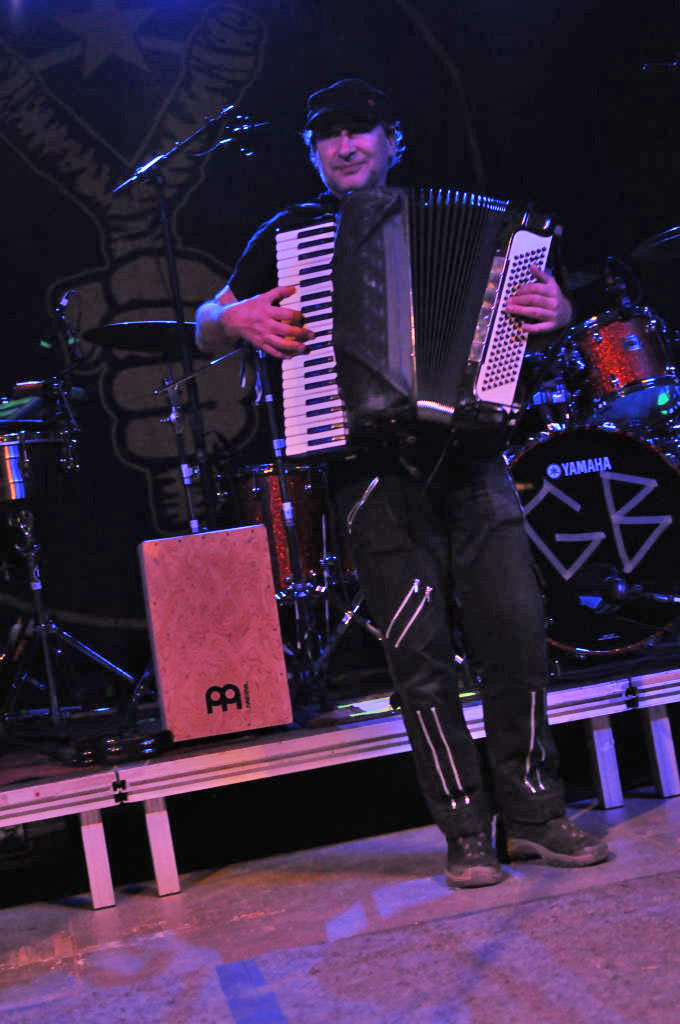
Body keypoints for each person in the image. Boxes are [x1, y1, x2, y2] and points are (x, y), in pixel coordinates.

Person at [196, 78, 609, 887]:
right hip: (367, 469)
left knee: (516, 634)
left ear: (393, 141)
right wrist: (232, 320)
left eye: (360, 131)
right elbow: (210, 322)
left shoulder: (482, 224)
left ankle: (534, 816)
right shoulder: (289, 236)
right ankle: (465, 832)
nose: (345, 146)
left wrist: (558, 312)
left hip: (473, 455)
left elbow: (539, 318)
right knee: (419, 658)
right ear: (312, 152)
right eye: (328, 135)